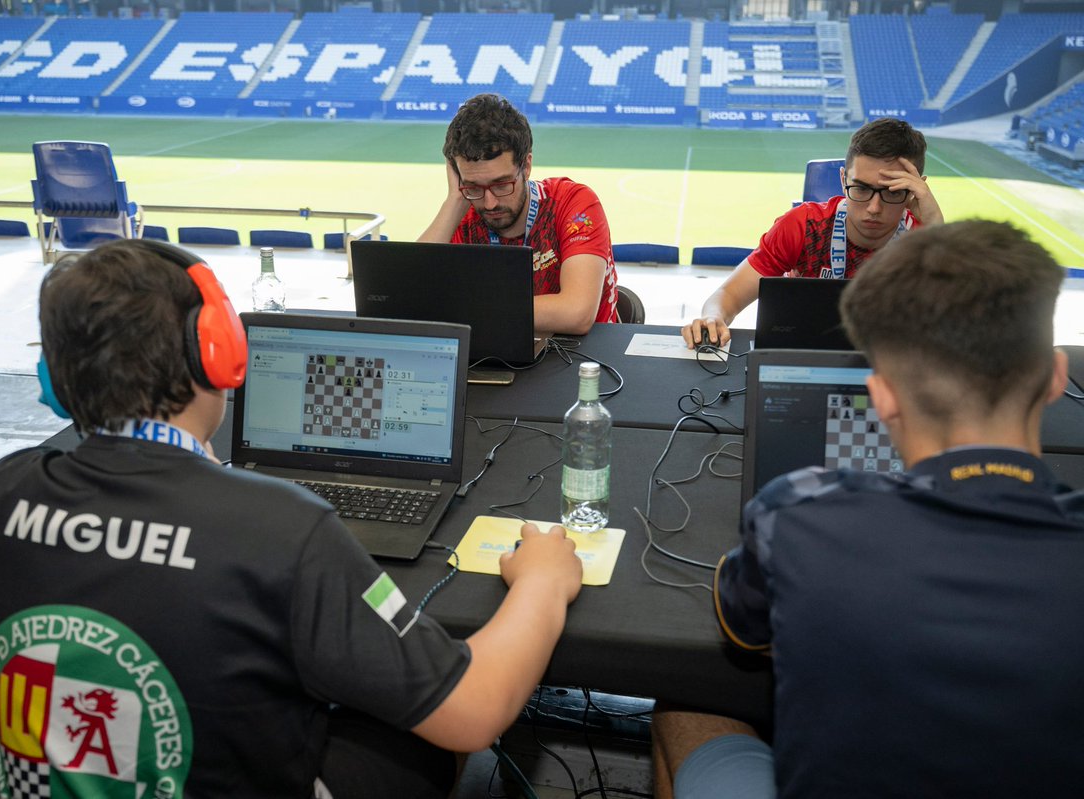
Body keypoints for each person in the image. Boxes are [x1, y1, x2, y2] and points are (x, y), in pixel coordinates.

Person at [0, 238, 584, 799]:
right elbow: (473, 711)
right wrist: (543, 582)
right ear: (217, 353)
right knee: (413, 741)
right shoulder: (279, 526)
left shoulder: (6, 490)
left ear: (56, 378)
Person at [654, 219, 1084, 797]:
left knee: (683, 705)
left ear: (879, 395)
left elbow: (743, 628)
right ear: (1056, 375)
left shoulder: (796, 513)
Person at [683, 116, 944, 349]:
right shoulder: (802, 226)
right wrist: (713, 318)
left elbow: (960, 327)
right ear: (843, 180)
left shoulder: (927, 238)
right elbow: (727, 295)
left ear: (915, 190)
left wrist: (936, 230)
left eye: (893, 192)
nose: (874, 208)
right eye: (861, 189)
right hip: (802, 358)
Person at [419, 93, 619, 335]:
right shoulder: (462, 214)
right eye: (474, 186)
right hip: (493, 364)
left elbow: (577, 313)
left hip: (583, 362)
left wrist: (466, 311)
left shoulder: (572, 202)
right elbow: (404, 303)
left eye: (502, 184)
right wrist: (455, 200)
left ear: (526, 166)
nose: (490, 203)